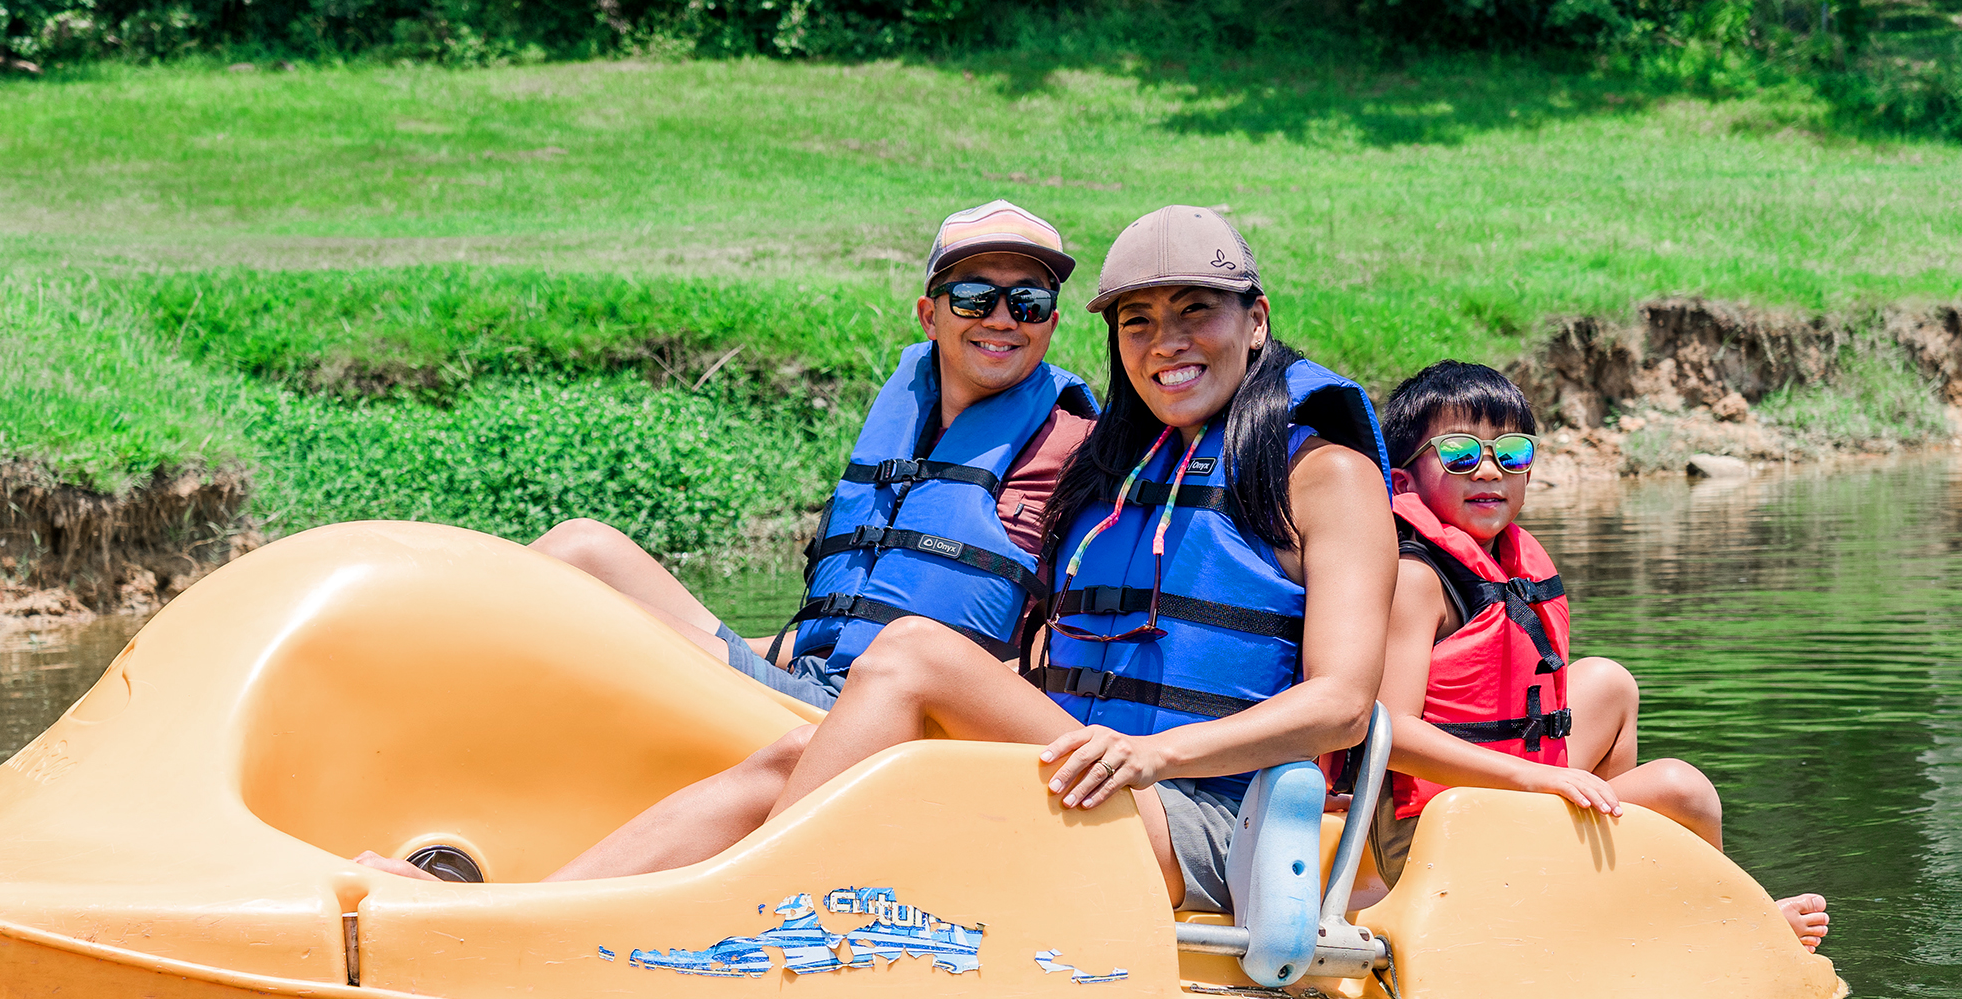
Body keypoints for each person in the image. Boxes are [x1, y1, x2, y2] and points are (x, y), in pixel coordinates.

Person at [477, 206, 1398, 907]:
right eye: (1138, 322)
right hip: (1091, 770)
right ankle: (534, 910)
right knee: (791, 753)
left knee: (916, 648)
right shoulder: (1121, 470)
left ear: (1257, 320)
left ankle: (734, 914)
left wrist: (1157, 756)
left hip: (1203, 820)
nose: (1166, 344)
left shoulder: (1325, 471)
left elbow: (1342, 706)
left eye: (1196, 313)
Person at [527, 199, 1098, 711]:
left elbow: (1070, 645)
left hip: (875, 718)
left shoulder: (1077, 449)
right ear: (930, 315)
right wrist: (723, 648)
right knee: (579, 548)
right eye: (975, 298)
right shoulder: (910, 429)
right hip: (804, 681)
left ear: (1050, 320)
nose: (1001, 318)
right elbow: (851, 610)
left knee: (582, 618)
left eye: (1027, 301)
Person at [1363, 360, 1829, 949]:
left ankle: (1609, 890)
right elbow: (1390, 733)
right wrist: (1530, 779)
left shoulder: (1509, 564)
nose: (1488, 469)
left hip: (1505, 801)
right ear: (1403, 483)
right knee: (1681, 789)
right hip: (1444, 836)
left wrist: (1533, 781)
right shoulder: (1416, 579)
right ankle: (1733, 924)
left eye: (1510, 453)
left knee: (1608, 682)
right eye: (1458, 454)